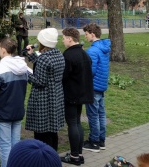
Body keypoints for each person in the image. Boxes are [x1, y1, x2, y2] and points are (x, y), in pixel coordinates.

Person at [0, 37, 29, 167]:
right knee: (15, 145)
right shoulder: (22, 66)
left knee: (5, 147)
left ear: (3, 50)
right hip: (17, 110)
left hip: (3, 112)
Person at [25, 27, 65, 151]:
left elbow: (40, 81)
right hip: (55, 95)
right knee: (52, 131)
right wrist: (30, 56)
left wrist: (25, 73)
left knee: (42, 133)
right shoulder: (58, 55)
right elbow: (45, 67)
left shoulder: (44, 58)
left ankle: (43, 160)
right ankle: (53, 158)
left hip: (44, 98)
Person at [60, 28, 94, 165]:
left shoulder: (68, 56)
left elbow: (64, 76)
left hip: (71, 94)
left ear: (70, 38)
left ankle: (74, 156)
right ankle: (78, 153)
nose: (62, 41)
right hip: (82, 94)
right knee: (77, 122)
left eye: (63, 38)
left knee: (72, 123)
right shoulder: (84, 54)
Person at [83, 23, 111, 152]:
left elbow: (91, 71)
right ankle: (101, 140)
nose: (85, 36)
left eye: (86, 34)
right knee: (101, 113)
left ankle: (94, 142)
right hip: (101, 85)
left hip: (93, 86)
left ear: (92, 34)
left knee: (93, 115)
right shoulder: (103, 48)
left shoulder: (92, 50)